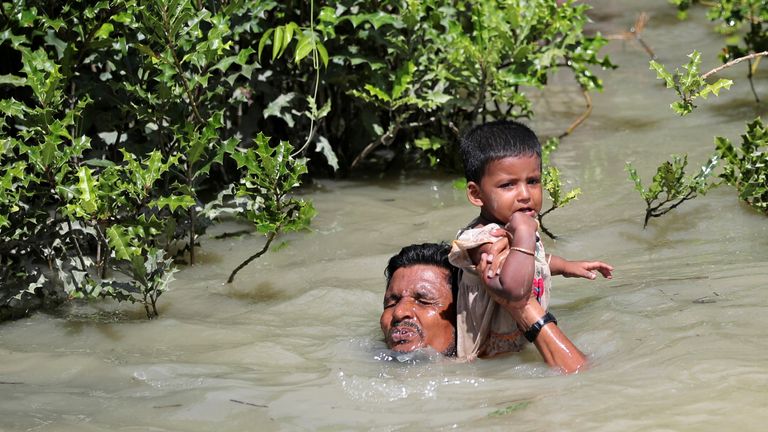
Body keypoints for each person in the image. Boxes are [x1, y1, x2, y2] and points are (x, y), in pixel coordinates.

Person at [449, 120, 614, 360]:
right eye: (508, 185)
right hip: (487, 356)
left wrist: (566, 266)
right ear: (476, 194)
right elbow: (514, 291)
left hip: (519, 343)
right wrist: (525, 233)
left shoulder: (515, 227)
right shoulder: (483, 240)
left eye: (533, 181)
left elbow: (534, 260)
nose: (525, 195)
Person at [380, 242, 587, 374]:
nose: (399, 312)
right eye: (392, 301)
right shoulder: (370, 361)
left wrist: (519, 304)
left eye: (423, 301)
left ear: (463, 313)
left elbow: (579, 376)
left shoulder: (496, 369)